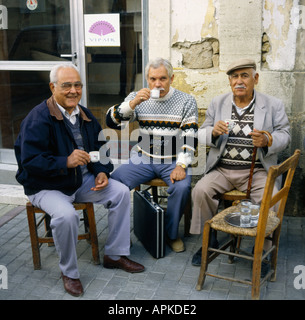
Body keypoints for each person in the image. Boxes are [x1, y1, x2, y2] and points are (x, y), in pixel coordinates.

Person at [14, 64, 144, 297]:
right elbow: (29, 162)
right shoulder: (38, 118)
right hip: (46, 186)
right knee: (66, 215)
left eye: (77, 85)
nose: (74, 90)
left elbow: (100, 148)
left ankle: (114, 254)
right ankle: (70, 273)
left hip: (80, 180)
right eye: (67, 86)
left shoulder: (83, 114)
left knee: (121, 191)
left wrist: (102, 171)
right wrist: (65, 161)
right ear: (53, 87)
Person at [190, 58, 291, 267]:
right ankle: (209, 240)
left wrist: (268, 140)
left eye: (245, 75)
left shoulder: (273, 104)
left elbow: (286, 135)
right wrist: (213, 133)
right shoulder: (218, 103)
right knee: (200, 190)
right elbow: (201, 133)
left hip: (258, 171)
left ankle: (262, 248)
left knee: (272, 197)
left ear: (255, 78)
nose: (239, 81)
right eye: (234, 76)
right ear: (229, 81)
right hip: (223, 170)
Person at [106, 58, 198, 253]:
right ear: (147, 79)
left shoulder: (186, 101)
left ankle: (171, 234)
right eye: (153, 79)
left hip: (173, 160)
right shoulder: (138, 98)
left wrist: (181, 165)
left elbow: (190, 138)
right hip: (143, 158)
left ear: (172, 78)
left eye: (163, 78)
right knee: (114, 184)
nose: (158, 84)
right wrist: (133, 103)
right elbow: (111, 121)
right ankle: (120, 235)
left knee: (182, 187)